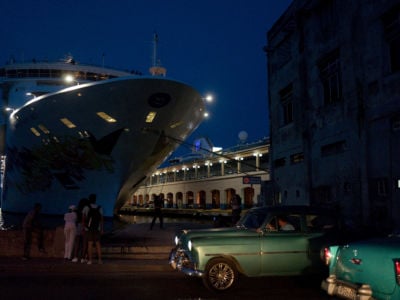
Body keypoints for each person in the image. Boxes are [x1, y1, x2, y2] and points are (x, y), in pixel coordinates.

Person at [82, 194, 103, 265]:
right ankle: (100, 260)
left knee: (90, 244)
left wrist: (83, 228)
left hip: (89, 229)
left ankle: (90, 260)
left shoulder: (86, 207)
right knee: (98, 244)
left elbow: (83, 218)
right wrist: (102, 229)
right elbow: (102, 220)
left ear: (89, 199)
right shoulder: (99, 208)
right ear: (95, 200)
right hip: (97, 228)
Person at [71, 198, 89, 263]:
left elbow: (76, 220)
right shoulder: (86, 210)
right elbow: (85, 219)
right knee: (84, 243)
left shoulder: (77, 210)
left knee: (77, 243)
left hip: (78, 226)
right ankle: (82, 258)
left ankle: (75, 257)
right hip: (84, 226)